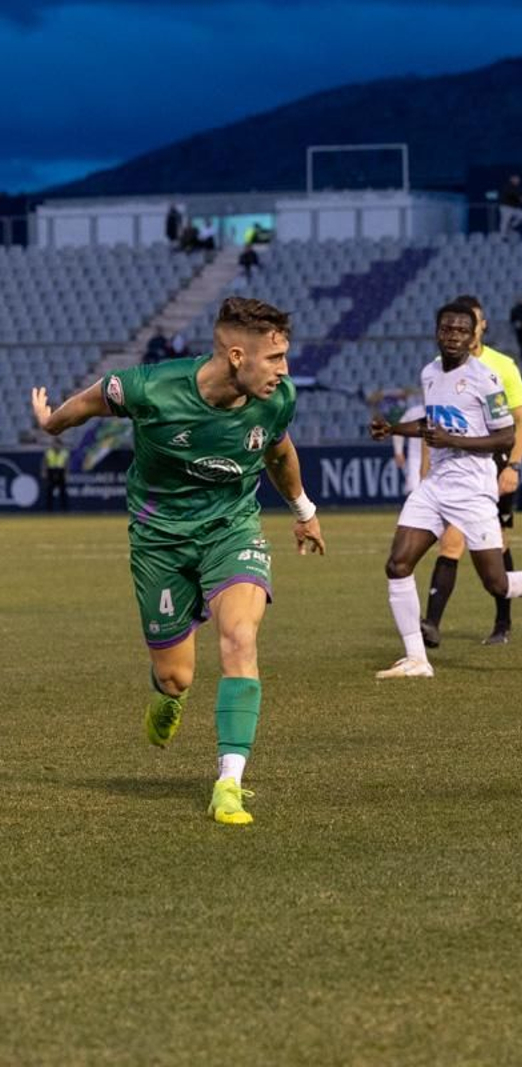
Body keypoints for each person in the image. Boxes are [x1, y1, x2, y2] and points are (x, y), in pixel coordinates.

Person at [29, 297, 327, 826]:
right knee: (176, 677)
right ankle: (165, 695)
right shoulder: (152, 387)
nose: (285, 371)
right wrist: (52, 424)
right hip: (159, 539)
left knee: (240, 637)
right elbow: (93, 401)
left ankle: (228, 782)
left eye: (285, 357)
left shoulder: (278, 399)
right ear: (237, 355)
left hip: (231, 528)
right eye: (275, 358)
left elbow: (278, 453)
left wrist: (303, 509)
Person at [368, 301, 522, 680]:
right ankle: (417, 658)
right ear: (437, 331)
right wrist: (394, 429)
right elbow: (434, 424)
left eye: (461, 331)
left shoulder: (485, 378)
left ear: (473, 335)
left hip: (473, 488)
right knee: (397, 564)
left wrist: (457, 442)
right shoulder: (429, 372)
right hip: (436, 486)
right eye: (447, 329)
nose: (453, 337)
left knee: (496, 583)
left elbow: (505, 436)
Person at [420, 295, 522, 647]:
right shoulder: (439, 367)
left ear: (481, 327)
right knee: (450, 542)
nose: (466, 330)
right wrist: (427, 469)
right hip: (453, 471)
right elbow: (434, 425)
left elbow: (521, 421)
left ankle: (503, 620)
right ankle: (431, 624)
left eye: (475, 322)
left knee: (498, 545)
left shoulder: (501, 366)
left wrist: (513, 465)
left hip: (494, 465)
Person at [392, 390, 425, 496]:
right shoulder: (414, 413)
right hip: (416, 458)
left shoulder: (443, 413)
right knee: (414, 491)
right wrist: (398, 452)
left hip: (438, 459)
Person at [41, 436, 69, 511]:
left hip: (61, 471)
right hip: (51, 471)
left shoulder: (64, 452)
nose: (55, 445)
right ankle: (49, 510)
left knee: (62, 492)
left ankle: (64, 510)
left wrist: (66, 473)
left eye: (57, 444)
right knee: (49, 491)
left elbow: (66, 464)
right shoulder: (49, 452)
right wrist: (44, 471)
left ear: (60, 444)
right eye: (54, 443)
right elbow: (45, 462)